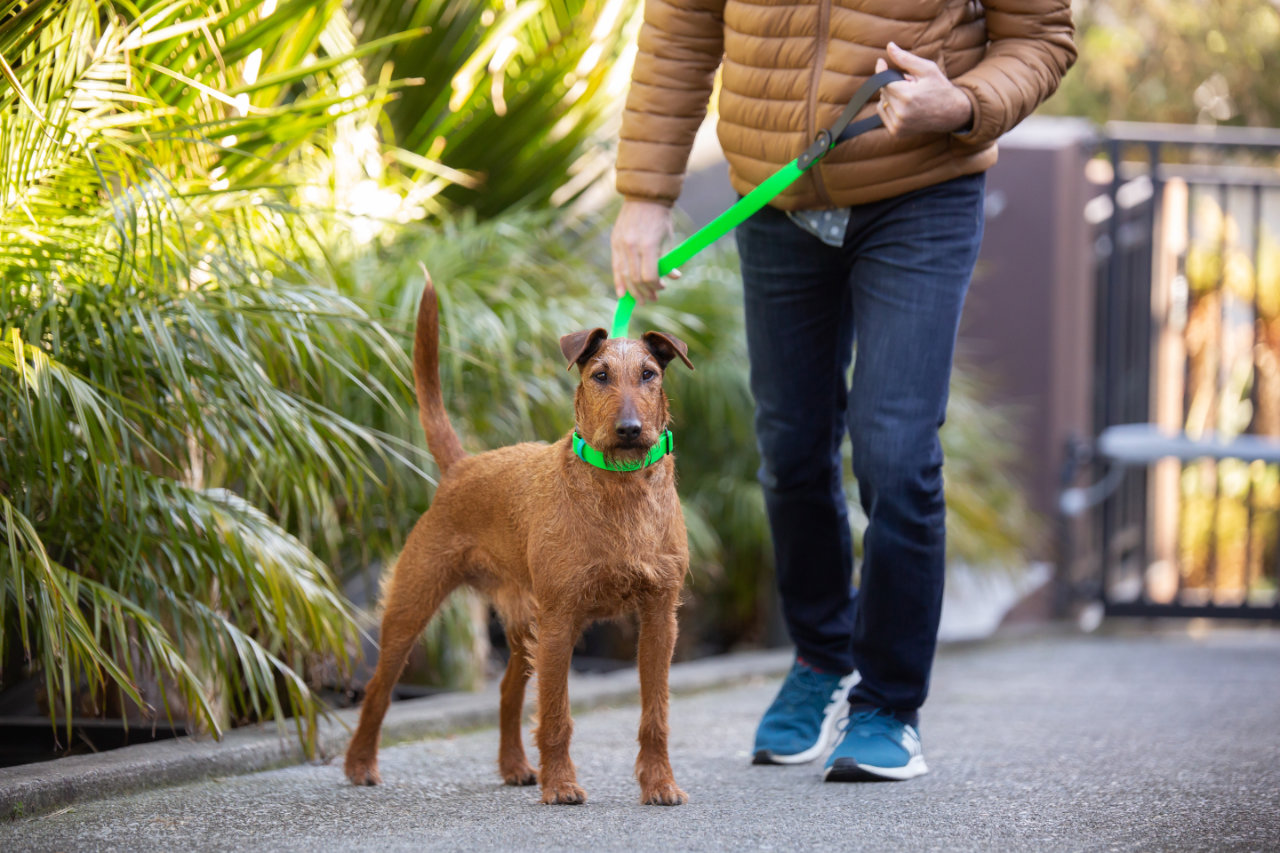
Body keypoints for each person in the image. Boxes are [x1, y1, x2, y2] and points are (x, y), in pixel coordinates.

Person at [610, 0, 1075, 782]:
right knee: (790, 448)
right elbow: (682, 25)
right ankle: (821, 660)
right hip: (777, 199)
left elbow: (1039, 38)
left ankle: (889, 702)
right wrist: (644, 193)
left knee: (895, 448)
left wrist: (962, 103)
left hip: (920, 190)